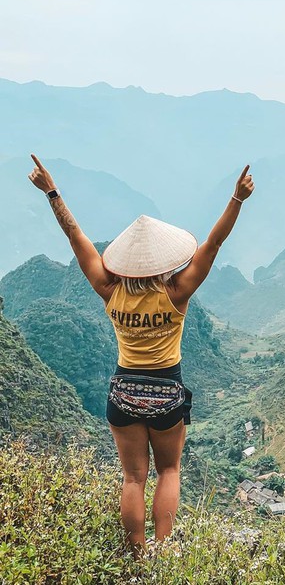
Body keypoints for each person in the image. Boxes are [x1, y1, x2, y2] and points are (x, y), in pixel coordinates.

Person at [27, 153, 254, 558]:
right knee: (169, 470)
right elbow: (213, 244)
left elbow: (75, 237)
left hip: (123, 392)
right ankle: (162, 556)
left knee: (133, 478)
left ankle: (135, 554)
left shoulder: (108, 290)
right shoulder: (177, 293)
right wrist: (236, 200)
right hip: (167, 390)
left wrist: (52, 193)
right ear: (165, 260)